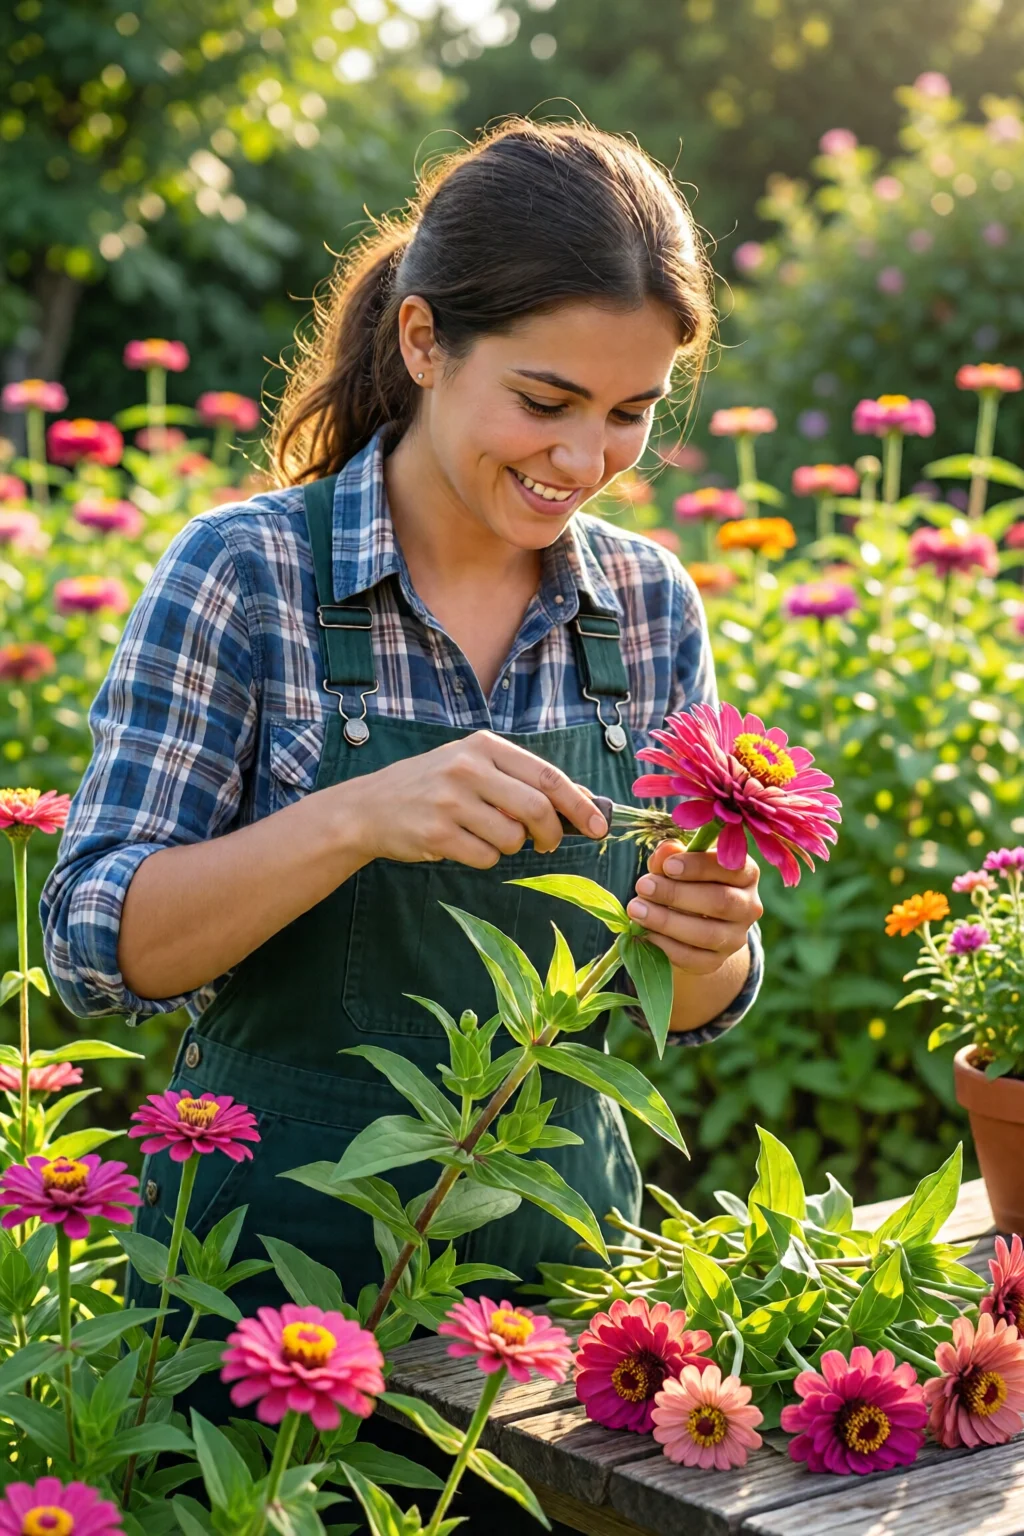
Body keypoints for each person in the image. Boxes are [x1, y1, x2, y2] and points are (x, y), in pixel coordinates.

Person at [40, 118, 764, 1413]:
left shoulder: (649, 606)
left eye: (630, 414)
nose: (583, 460)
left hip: (555, 1318)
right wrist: (353, 817)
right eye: (544, 402)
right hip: (260, 1308)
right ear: (425, 341)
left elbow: (692, 998)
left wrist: (709, 944)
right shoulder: (246, 575)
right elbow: (97, 945)